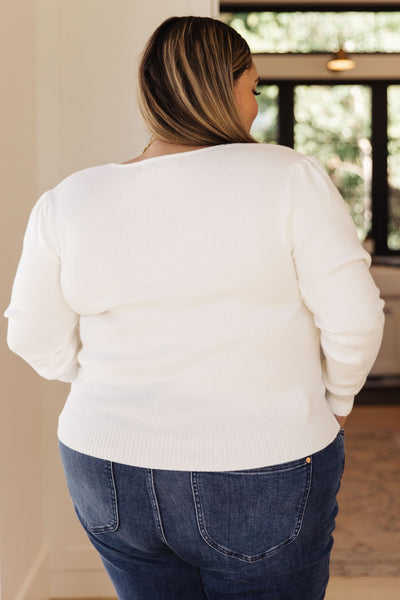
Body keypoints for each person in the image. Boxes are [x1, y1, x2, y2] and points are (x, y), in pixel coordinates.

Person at [5, 15, 384, 600]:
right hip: (263, 466)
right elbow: (356, 319)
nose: (255, 105)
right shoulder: (288, 177)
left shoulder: (70, 199)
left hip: (104, 465)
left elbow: (31, 334)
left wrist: (110, 382)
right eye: (253, 88)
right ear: (221, 85)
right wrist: (335, 397)